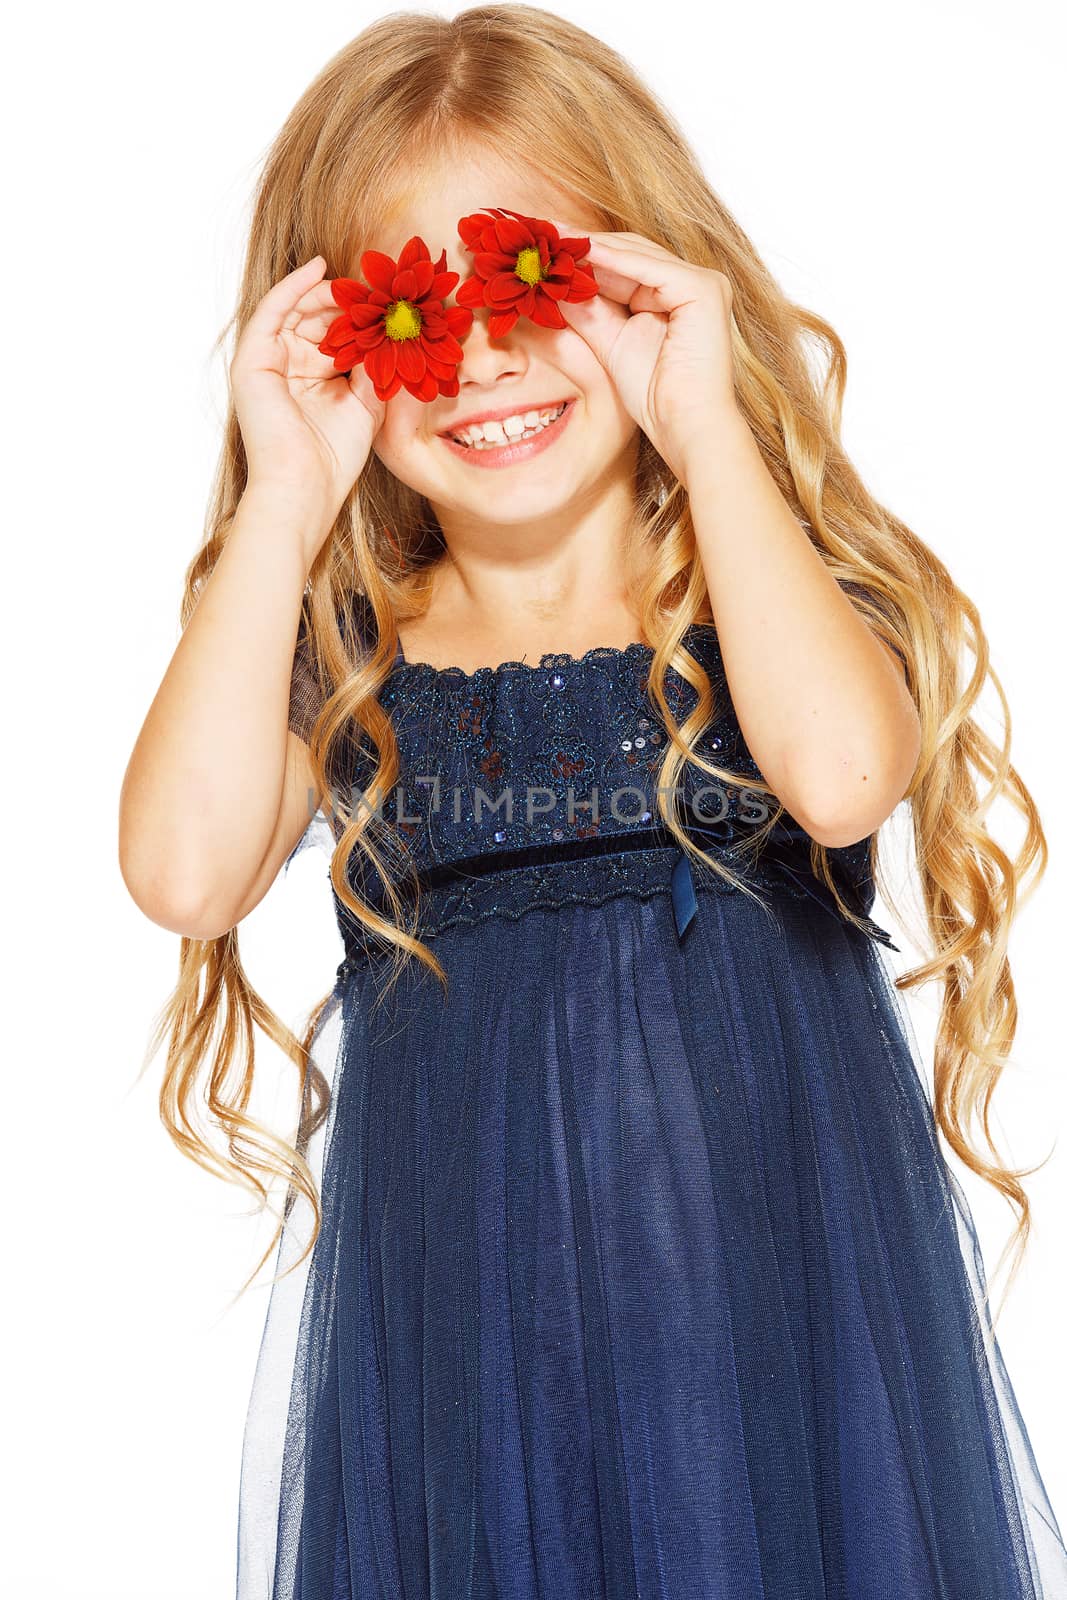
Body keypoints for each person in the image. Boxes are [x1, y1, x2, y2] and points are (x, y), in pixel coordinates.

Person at [119, 7, 1067, 1596]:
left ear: (648, 287)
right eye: (412, 310)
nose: (483, 356)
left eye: (533, 287)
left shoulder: (762, 597)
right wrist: (283, 498)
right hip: (473, 1390)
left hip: (778, 1358)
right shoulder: (351, 655)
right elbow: (181, 870)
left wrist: (707, 425)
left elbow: (838, 780)